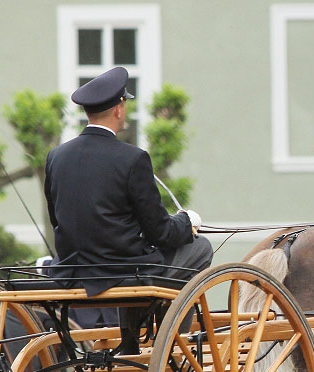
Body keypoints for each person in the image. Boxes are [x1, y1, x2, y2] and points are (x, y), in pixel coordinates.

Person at [43, 66, 212, 299]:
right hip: (122, 273)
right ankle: (169, 331)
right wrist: (186, 221)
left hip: (73, 272)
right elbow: (160, 233)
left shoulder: (56, 157)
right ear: (119, 110)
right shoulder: (133, 158)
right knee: (200, 247)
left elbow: (58, 220)